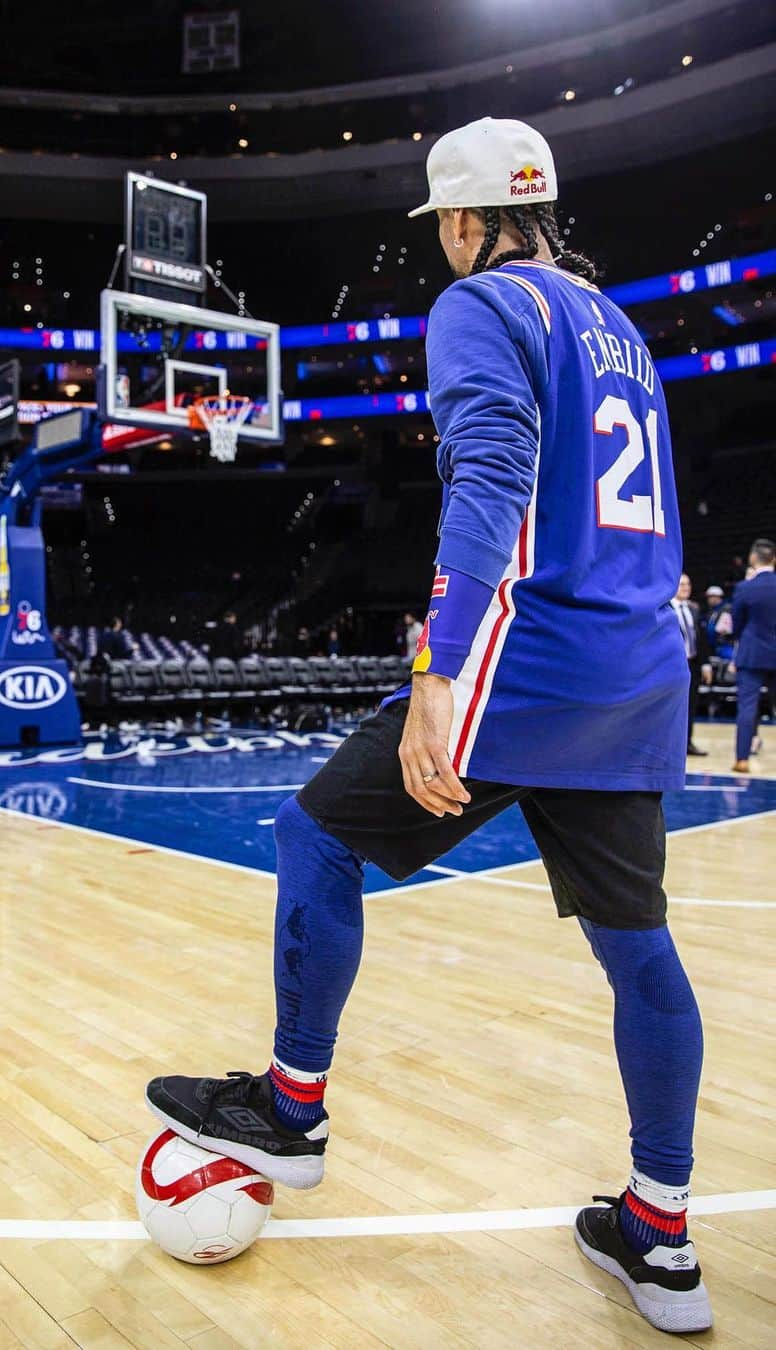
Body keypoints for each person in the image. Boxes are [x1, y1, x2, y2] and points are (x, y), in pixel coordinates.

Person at [146, 118, 710, 1335]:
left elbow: (492, 471)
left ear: (462, 222)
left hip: (524, 667)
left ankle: (292, 1112)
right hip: (633, 673)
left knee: (314, 837)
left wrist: (440, 672)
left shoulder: (480, 307)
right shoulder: (621, 334)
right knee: (639, 951)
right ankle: (659, 1235)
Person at [730, 538, 776, 773]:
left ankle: (742, 759)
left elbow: (736, 626)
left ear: (752, 559)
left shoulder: (745, 588)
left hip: (752, 653)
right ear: (774, 559)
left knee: (747, 707)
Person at [671, 574, 712, 756]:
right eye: (682, 584)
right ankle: (670, 746)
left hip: (692, 664)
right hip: (672, 666)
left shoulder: (694, 609)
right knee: (671, 707)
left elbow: (701, 640)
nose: (686, 587)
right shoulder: (664, 609)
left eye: (688, 584)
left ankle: (687, 743)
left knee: (691, 705)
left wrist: (705, 665)